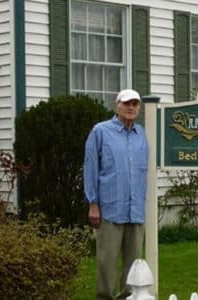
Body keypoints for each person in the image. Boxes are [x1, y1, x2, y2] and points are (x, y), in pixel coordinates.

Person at [83, 88, 149, 300]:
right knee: (107, 261)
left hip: (135, 209)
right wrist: (93, 203)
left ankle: (129, 298)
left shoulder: (142, 135)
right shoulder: (100, 131)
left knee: (134, 263)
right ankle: (105, 297)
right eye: (127, 103)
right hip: (110, 208)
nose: (131, 108)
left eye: (135, 104)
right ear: (117, 106)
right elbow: (91, 167)